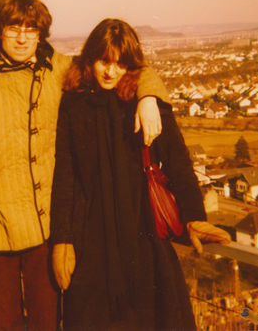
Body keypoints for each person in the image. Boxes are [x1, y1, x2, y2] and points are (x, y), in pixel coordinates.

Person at [0, 0, 169, 331]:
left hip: (47, 224)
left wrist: (149, 96)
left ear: (41, 33)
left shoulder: (61, 70)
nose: (22, 37)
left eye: (31, 28)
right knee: (4, 321)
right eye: (13, 27)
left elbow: (121, 66)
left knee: (48, 322)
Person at [50, 18, 231, 331]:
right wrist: (62, 240)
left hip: (143, 235)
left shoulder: (146, 104)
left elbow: (178, 162)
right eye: (104, 61)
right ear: (90, 58)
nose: (110, 71)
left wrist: (194, 216)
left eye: (120, 64)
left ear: (131, 66)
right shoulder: (73, 104)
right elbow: (65, 175)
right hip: (91, 241)